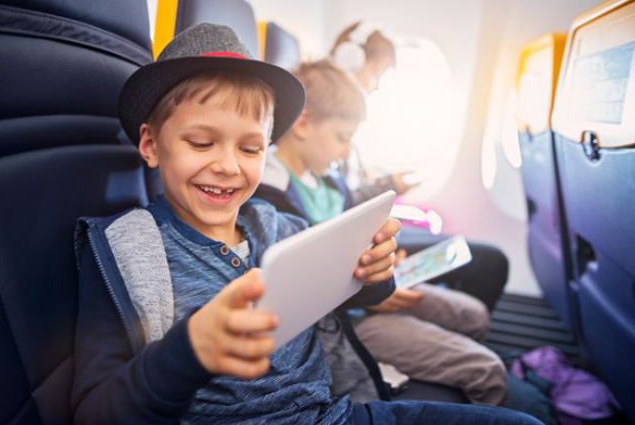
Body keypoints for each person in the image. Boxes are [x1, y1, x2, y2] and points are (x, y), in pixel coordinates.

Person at [71, 23, 542, 425]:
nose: (229, 166)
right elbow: (93, 411)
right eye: (201, 143)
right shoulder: (123, 250)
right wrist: (187, 350)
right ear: (151, 146)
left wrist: (374, 278)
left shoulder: (278, 225)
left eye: (250, 149)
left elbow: (345, 297)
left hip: (338, 411)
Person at [254, 59, 508, 406]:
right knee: (488, 371)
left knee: (474, 315)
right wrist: (374, 291)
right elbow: (305, 287)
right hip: (348, 319)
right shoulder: (271, 195)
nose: (345, 152)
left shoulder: (330, 183)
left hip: (369, 290)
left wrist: (382, 256)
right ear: (302, 122)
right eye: (342, 138)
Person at [330, 21, 508, 312]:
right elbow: (341, 204)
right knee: (490, 262)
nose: (375, 86)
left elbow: (347, 188)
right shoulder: (325, 127)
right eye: (376, 74)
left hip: (369, 231)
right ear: (349, 61)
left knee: (462, 249)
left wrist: (388, 181)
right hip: (360, 238)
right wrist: (391, 186)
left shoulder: (345, 126)